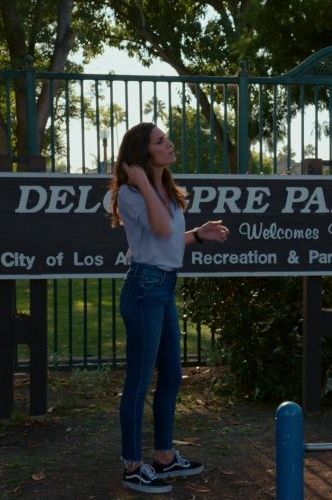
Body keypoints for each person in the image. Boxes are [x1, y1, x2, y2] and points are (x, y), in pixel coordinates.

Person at [109, 122, 229, 494]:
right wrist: (142, 180)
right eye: (160, 141)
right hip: (144, 288)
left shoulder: (164, 188)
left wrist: (198, 234)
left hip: (163, 286)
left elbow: (169, 237)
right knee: (140, 381)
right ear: (144, 154)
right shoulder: (132, 192)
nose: (169, 143)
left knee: (173, 376)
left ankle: (164, 456)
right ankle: (132, 465)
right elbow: (160, 230)